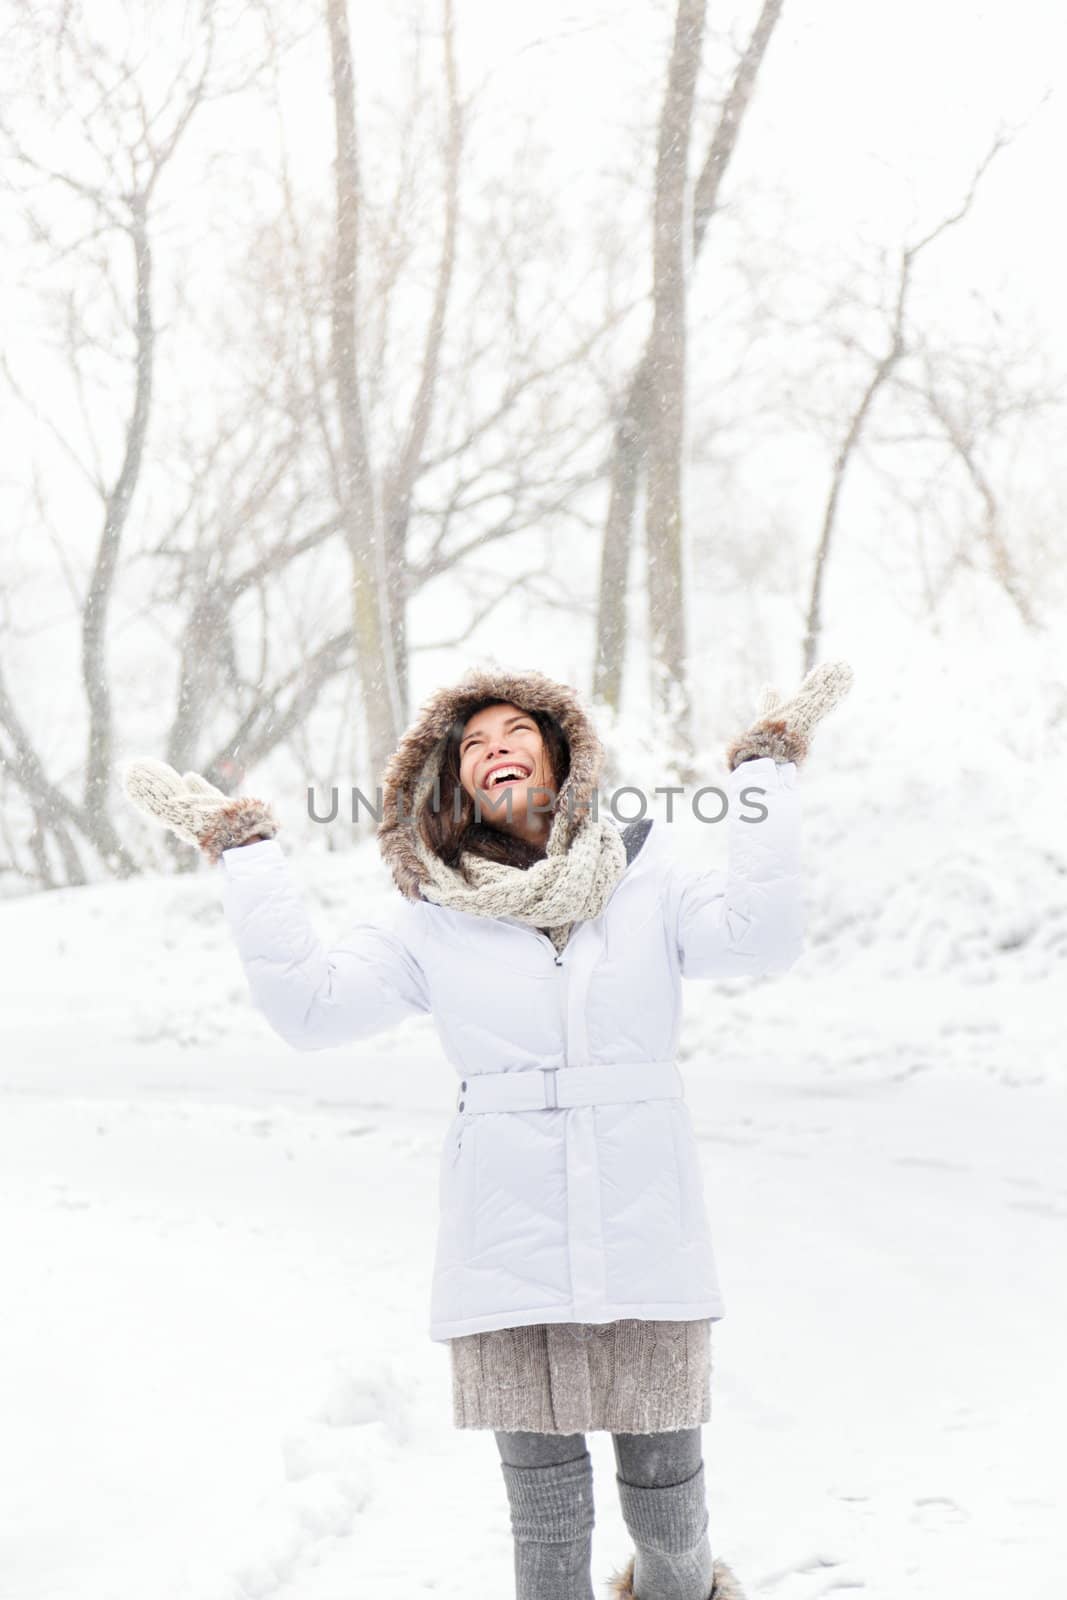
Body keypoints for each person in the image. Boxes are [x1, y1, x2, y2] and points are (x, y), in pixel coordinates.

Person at [122, 659, 852, 1600]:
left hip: (642, 1226)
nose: (494, 751)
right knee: (545, 1517)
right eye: (472, 745)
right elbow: (309, 1010)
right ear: (451, 782)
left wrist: (763, 771)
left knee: (670, 1512)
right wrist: (248, 853)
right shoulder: (429, 913)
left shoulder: (648, 871)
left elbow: (763, 936)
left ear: (561, 760)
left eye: (515, 735)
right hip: (510, 1240)